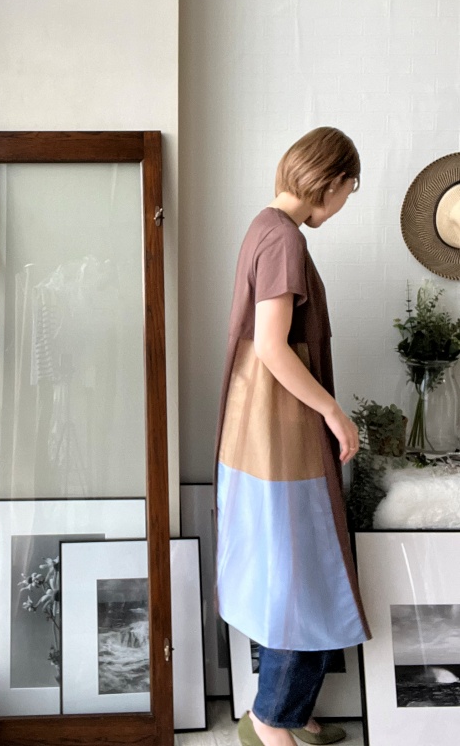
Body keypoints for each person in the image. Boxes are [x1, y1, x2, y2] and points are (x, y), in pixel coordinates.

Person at [214, 128, 372, 746]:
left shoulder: (266, 226)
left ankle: (290, 708)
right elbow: (273, 347)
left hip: (262, 432)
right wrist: (334, 412)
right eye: (350, 190)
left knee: (292, 568)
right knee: (300, 574)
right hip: (282, 438)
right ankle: (269, 717)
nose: (345, 202)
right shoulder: (284, 239)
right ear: (331, 182)